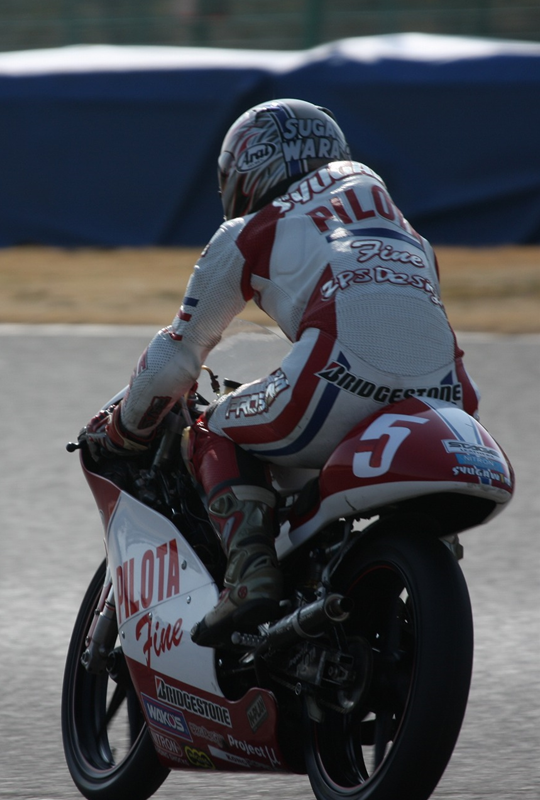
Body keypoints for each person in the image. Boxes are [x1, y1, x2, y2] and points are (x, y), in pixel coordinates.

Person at [85, 98, 479, 647]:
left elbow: (178, 355)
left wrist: (124, 428)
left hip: (334, 382)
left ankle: (250, 574)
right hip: (450, 399)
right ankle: (423, 556)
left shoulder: (254, 228)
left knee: (214, 427)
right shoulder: (406, 232)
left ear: (250, 170)